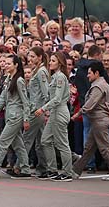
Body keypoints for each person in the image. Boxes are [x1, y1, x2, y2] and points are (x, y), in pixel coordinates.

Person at [0, 54, 31, 179]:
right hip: (9, 115)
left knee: (3, 141)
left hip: (16, 116)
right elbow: (2, 99)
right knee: (18, 144)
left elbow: (25, 101)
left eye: (9, 63)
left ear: (16, 65)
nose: (6, 65)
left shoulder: (19, 81)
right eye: (5, 63)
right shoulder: (8, 79)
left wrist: (26, 119)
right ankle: (25, 169)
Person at [72, 61, 109, 181]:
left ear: (97, 73)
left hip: (100, 120)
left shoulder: (98, 86)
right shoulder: (103, 84)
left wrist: (77, 114)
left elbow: (89, 104)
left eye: (89, 73)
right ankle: (75, 171)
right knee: (89, 148)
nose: (88, 75)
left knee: (105, 147)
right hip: (99, 121)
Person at [35, 52, 73, 181]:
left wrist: (43, 108)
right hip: (54, 113)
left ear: (60, 63)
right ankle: (52, 169)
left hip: (59, 111)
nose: (50, 62)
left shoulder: (60, 77)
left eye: (53, 61)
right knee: (45, 140)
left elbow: (57, 99)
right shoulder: (56, 77)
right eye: (50, 60)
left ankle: (68, 172)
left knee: (62, 143)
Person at [18, 47, 49, 178]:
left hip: (36, 110)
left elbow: (46, 92)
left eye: (33, 57)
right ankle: (43, 167)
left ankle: (21, 167)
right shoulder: (37, 70)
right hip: (36, 109)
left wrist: (45, 110)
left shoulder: (41, 72)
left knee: (26, 139)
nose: (30, 59)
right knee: (41, 141)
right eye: (29, 56)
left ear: (40, 57)